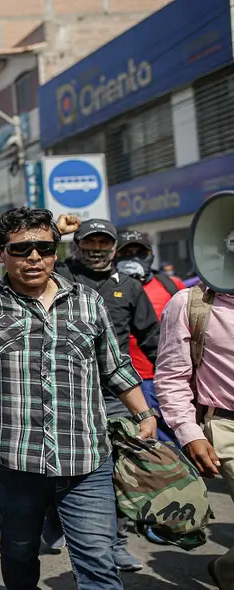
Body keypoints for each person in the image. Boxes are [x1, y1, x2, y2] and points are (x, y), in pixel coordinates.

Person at [0, 207, 155, 590]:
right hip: (17, 461)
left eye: (43, 248)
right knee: (20, 554)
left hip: (86, 459)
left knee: (97, 561)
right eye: (21, 249)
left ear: (55, 252)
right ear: (0, 253)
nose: (33, 258)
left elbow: (114, 364)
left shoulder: (88, 301)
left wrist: (144, 412)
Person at [49, 217, 160, 570]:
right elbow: (31, 251)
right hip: (65, 392)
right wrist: (58, 229)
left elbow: (152, 340)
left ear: (114, 248)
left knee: (115, 471)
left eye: (104, 244)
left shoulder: (128, 286)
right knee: (59, 465)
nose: (96, 251)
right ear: (76, 246)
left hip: (115, 395)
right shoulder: (60, 276)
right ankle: (54, 519)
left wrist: (181, 385)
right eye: (89, 243)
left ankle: (116, 543)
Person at [155, 283, 234, 587]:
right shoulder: (190, 303)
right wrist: (189, 433)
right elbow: (172, 377)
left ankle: (227, 570)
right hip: (226, 426)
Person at [114, 229, 185, 445]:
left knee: (177, 434)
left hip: (166, 376)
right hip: (128, 382)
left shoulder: (170, 285)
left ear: (150, 255)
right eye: (126, 253)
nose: (133, 257)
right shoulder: (109, 288)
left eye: (139, 252)